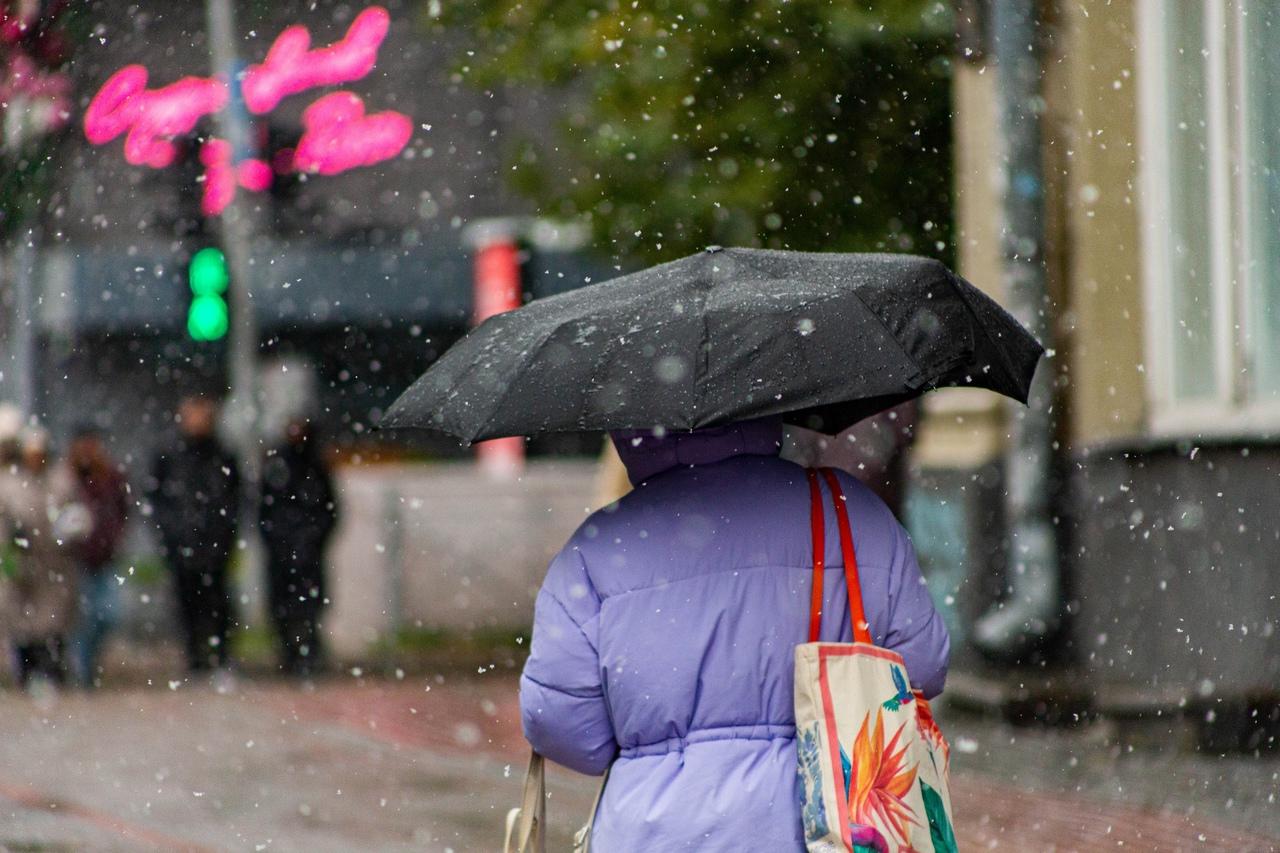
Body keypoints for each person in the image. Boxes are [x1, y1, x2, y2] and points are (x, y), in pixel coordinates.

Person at [520, 417, 949, 850]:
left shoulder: (594, 548)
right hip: (832, 826)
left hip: (655, 832)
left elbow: (563, 727)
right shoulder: (847, 511)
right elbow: (923, 668)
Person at [146, 395, 240, 674]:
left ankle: (220, 657)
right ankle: (195, 658)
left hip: (214, 546)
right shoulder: (169, 455)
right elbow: (156, 500)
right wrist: (171, 534)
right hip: (182, 545)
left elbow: (234, 499)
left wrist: (223, 534)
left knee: (218, 602)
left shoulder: (223, 455)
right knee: (187, 603)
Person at [0, 427, 82, 690]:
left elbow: (75, 513)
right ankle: (27, 674)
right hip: (22, 566)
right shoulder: (8, 485)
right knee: (23, 625)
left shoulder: (61, 481)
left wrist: (71, 528)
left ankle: (52, 674)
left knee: (53, 624)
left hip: (55, 565)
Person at [258, 418, 337, 677]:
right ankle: (291, 654)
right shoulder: (277, 466)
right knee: (284, 606)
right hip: (283, 550)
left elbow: (330, 510)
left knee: (309, 607)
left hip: (307, 551)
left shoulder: (314, 466)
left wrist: (312, 539)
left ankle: (308, 653)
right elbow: (263, 510)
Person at [63, 425, 130, 688]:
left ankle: (86, 662)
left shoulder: (110, 477)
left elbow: (123, 510)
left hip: (105, 558)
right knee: (83, 616)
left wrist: (113, 537)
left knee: (107, 614)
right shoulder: (66, 478)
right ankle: (81, 667)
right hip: (75, 560)